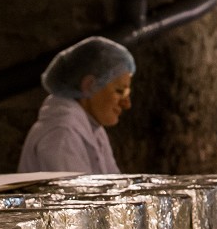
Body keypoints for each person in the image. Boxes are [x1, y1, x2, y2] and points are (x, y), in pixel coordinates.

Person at [18, 36, 134, 174]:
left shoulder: (93, 130)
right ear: (89, 85)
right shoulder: (62, 134)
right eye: (119, 91)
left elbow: (116, 184)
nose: (126, 104)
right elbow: (74, 194)